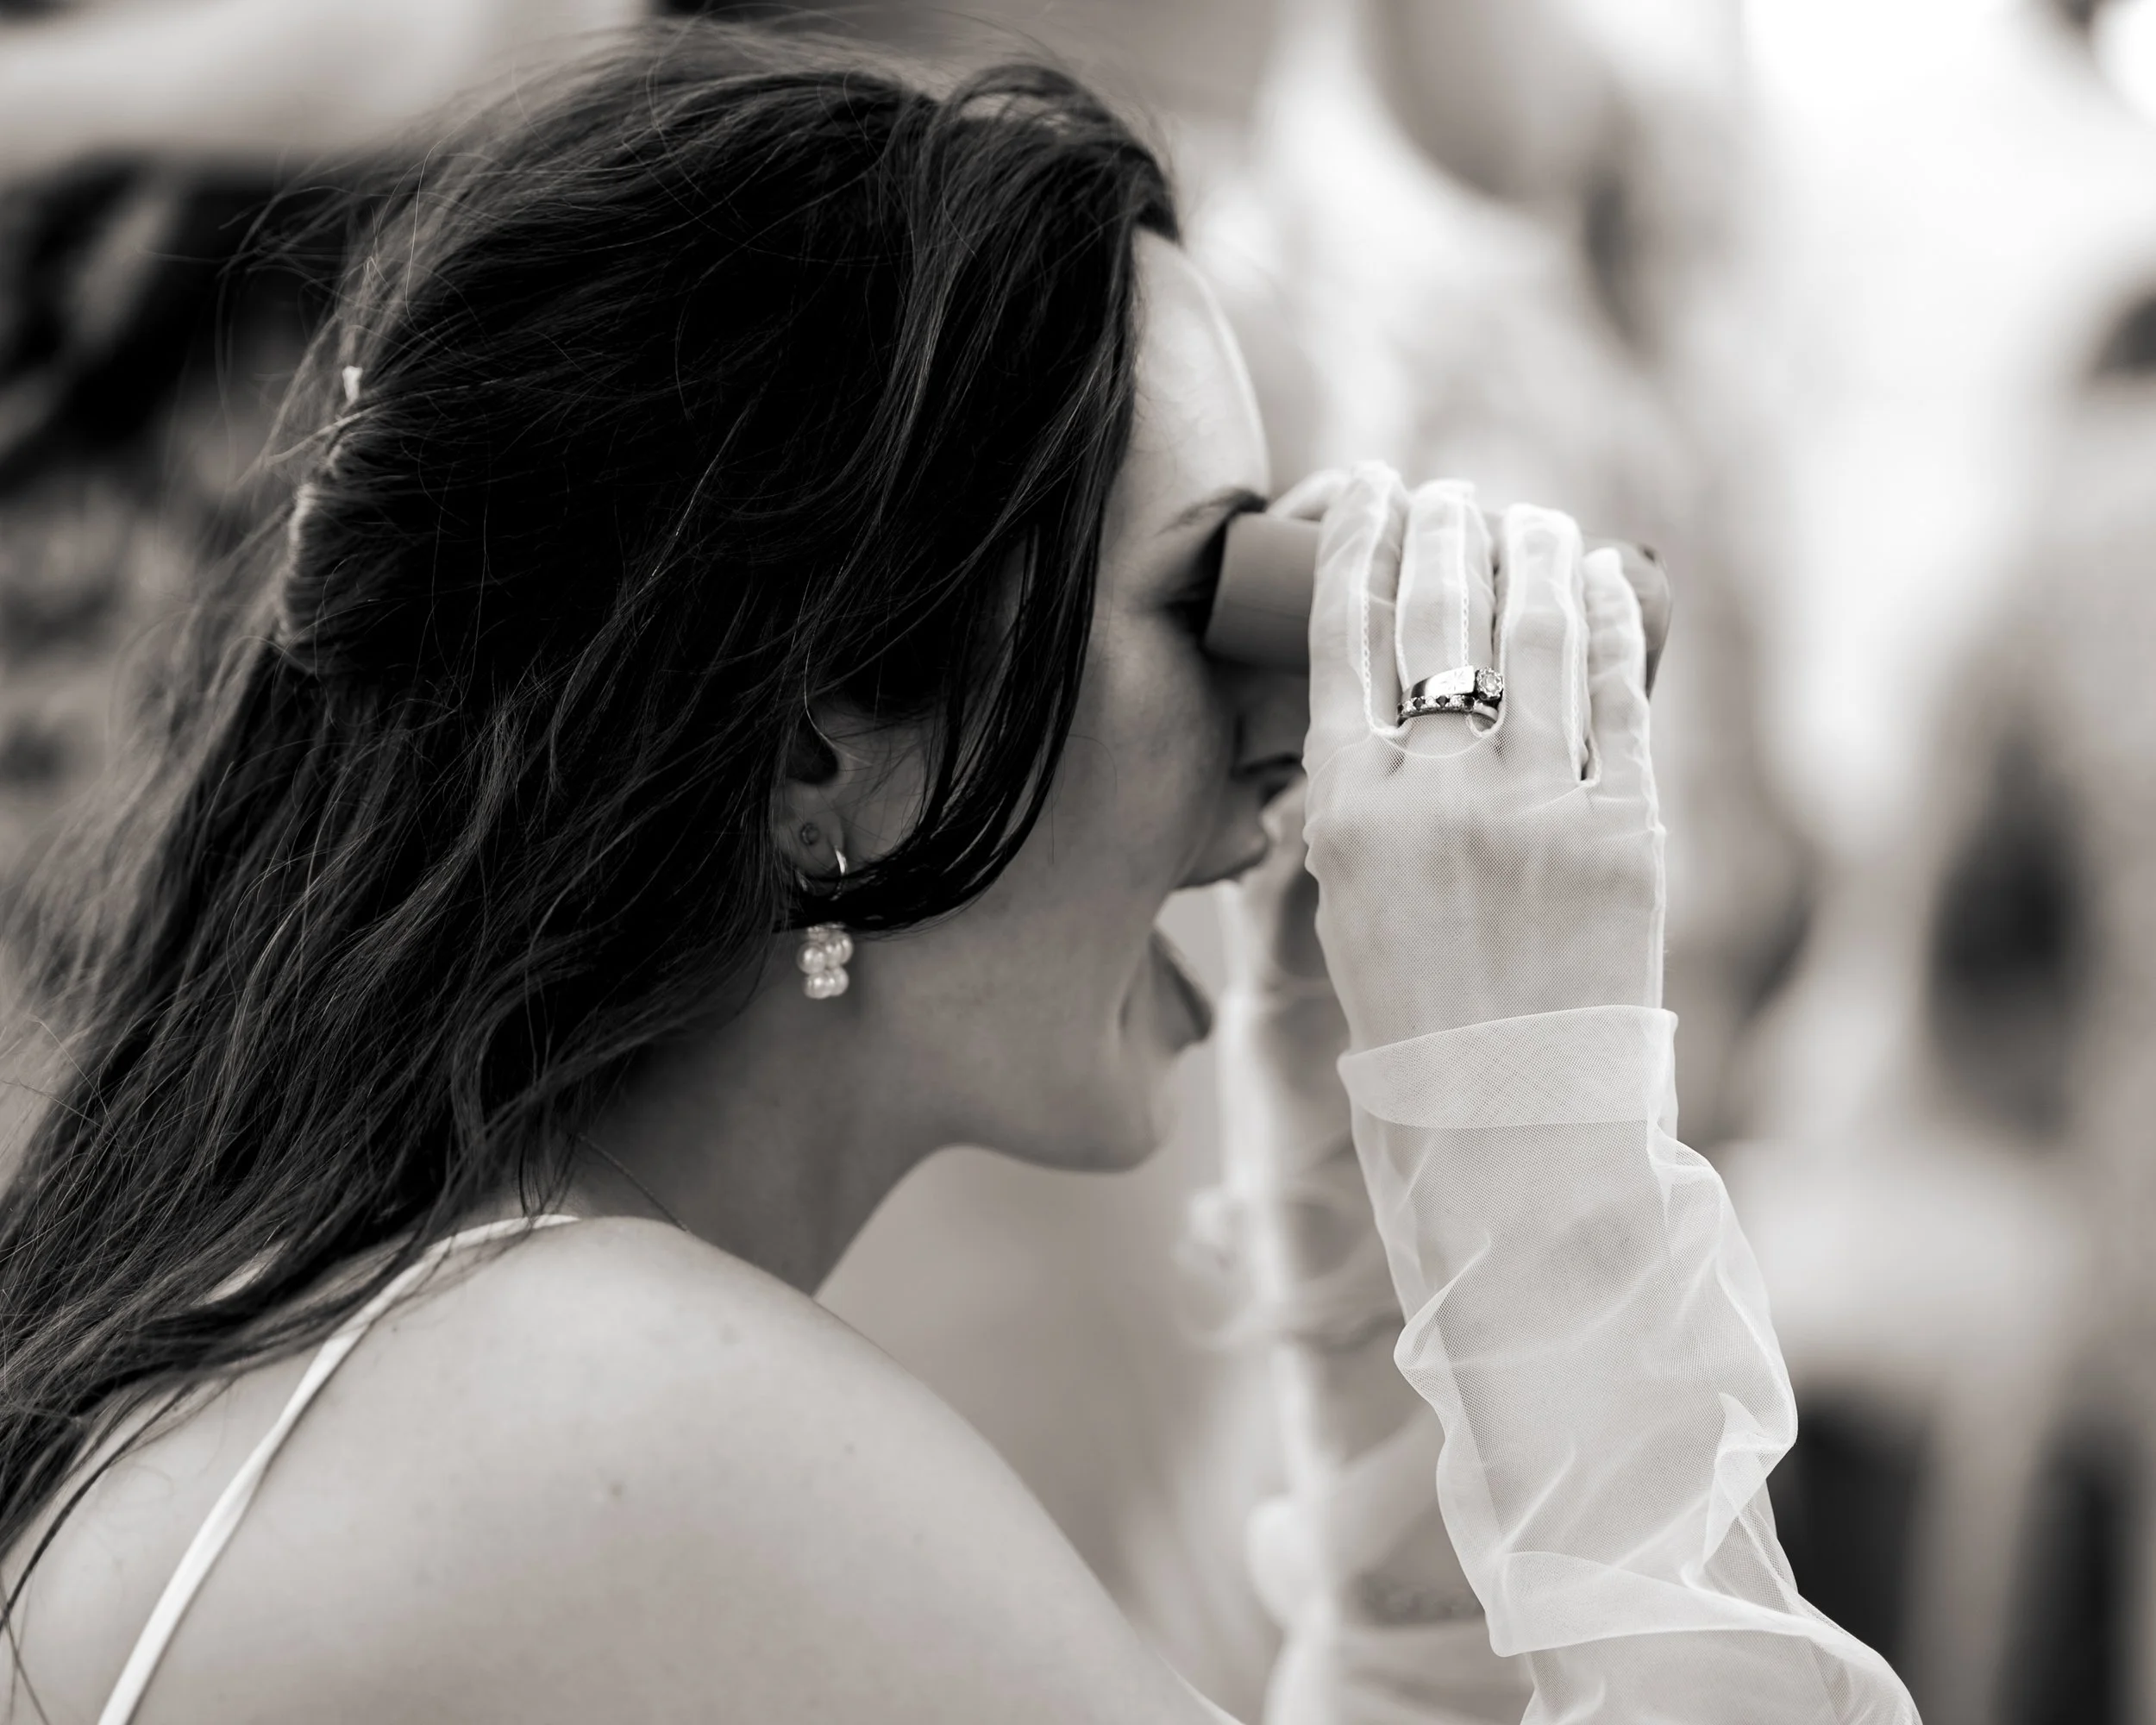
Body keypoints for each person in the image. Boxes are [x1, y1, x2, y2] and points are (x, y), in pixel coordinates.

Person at [0, 22, 1910, 1722]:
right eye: (1210, 597)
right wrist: (1540, 1126)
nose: (1288, 740)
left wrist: (1374, 1164)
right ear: (824, 734)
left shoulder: (465, 1342)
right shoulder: (612, 1414)